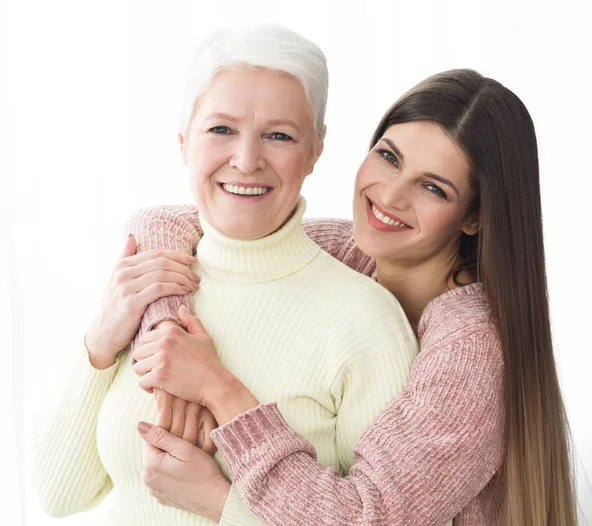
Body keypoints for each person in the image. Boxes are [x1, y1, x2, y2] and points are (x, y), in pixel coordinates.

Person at [129, 68, 577, 525]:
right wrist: (166, 335)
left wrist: (216, 392)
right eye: (389, 157)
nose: (390, 195)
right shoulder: (345, 253)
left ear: (474, 218)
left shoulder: (471, 351)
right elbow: (164, 222)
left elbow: (366, 517)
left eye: (432, 187)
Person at [33, 25, 419, 526]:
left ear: (316, 151)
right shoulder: (150, 286)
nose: (245, 160)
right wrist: (99, 346)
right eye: (221, 130)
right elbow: (58, 495)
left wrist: (222, 503)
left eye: (279, 135)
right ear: (183, 141)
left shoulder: (365, 320)